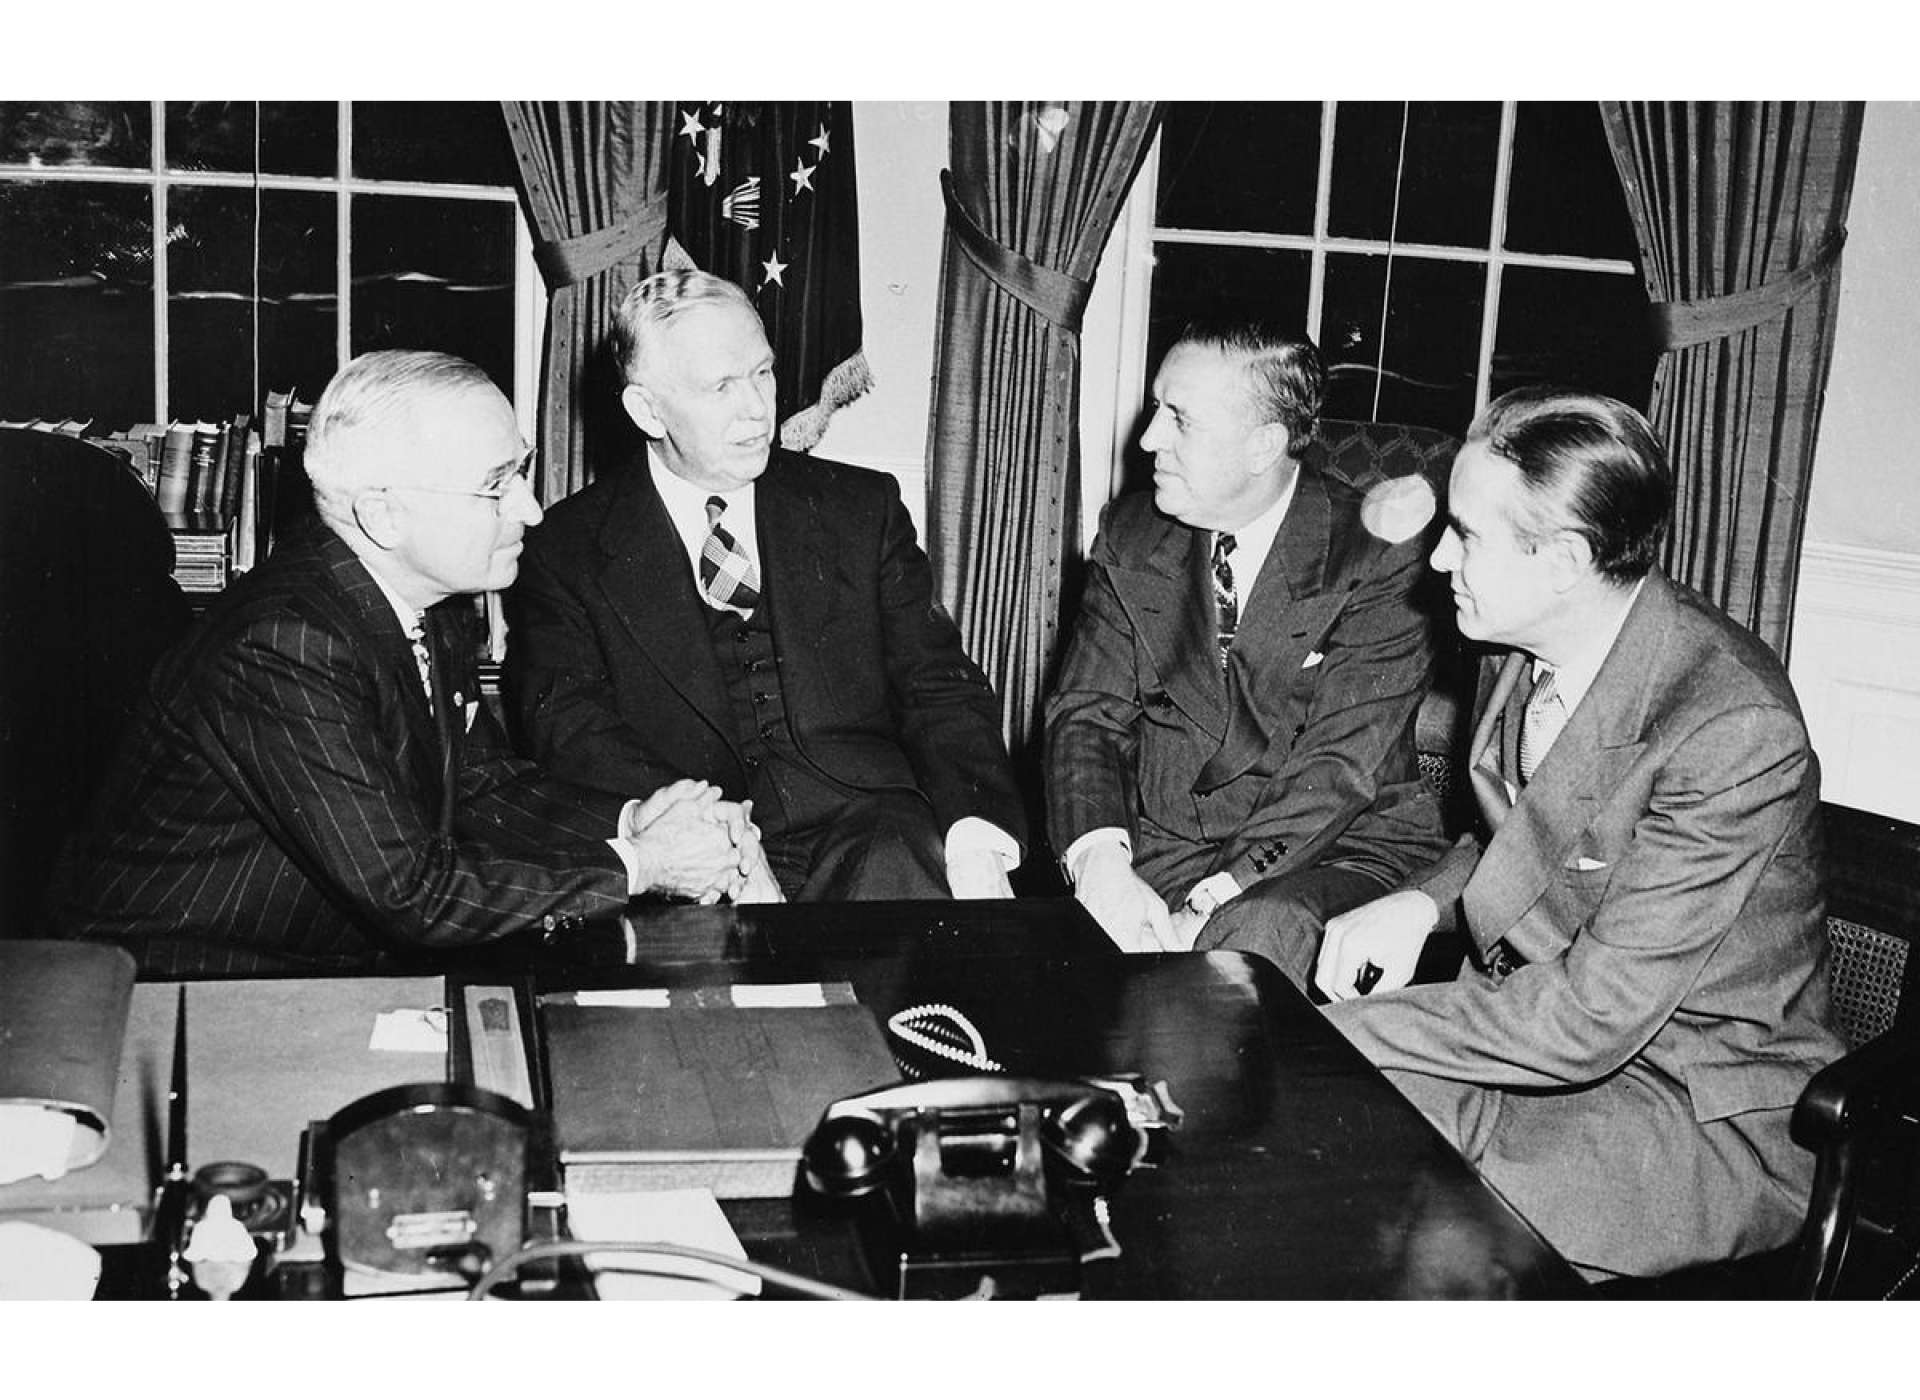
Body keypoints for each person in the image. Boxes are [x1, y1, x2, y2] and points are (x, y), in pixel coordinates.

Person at [1316, 386, 1845, 1280]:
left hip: (1693, 1104)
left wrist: (1331, 1032)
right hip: (1535, 1043)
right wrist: (1417, 902)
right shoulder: (1514, 641)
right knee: (1314, 1139)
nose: (1437, 559)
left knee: (1428, 1233)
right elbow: (1540, 835)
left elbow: (1592, 1018)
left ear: (1563, 559)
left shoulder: (1728, 723)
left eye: (1468, 536)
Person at [45, 350, 772, 976]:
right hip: (182, 986)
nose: (532, 509)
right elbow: (411, 892)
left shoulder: (431, 601)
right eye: (497, 485)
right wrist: (642, 866)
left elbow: (484, 787)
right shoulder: (284, 647)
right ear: (383, 515)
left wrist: (631, 817)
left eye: (520, 473)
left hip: (321, 963)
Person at [506, 269, 1025, 901]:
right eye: (722, 385)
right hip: (693, 848)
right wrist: (708, 837)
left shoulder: (861, 508)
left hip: (872, 830)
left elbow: (939, 685)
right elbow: (569, 728)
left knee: (902, 885)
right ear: (647, 409)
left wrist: (977, 845)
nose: (757, 408)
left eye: (762, 372)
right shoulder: (567, 547)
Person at [1044, 323, 1449, 974]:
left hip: (1333, 845)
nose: (1148, 439)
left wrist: (1207, 904)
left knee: (1251, 940)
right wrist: (1100, 862)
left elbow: (1340, 767)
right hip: (1167, 839)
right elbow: (1087, 715)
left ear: (1263, 445)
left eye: (1179, 419)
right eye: (1156, 408)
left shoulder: (1377, 552)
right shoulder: (1132, 530)